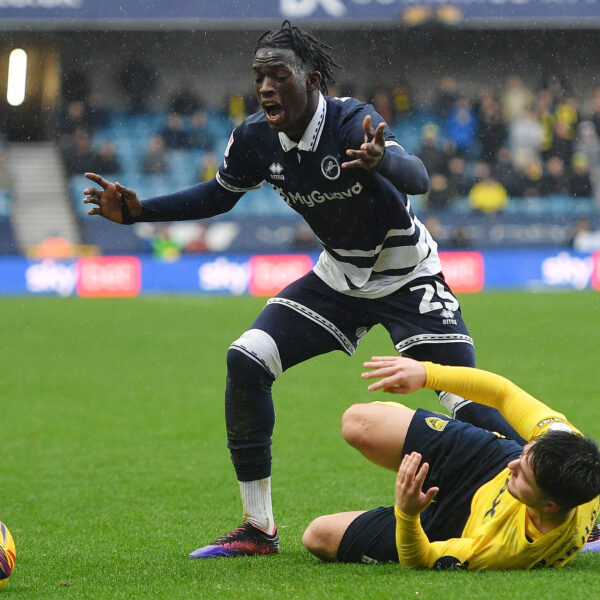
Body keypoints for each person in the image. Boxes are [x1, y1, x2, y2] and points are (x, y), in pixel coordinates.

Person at [83, 21, 504, 560]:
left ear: (312, 79)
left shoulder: (354, 122)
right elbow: (218, 195)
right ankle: (258, 529)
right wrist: (142, 212)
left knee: (469, 398)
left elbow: (418, 176)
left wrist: (385, 162)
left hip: (406, 274)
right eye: (259, 76)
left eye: (277, 75)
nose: (264, 87)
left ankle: (573, 504)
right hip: (338, 277)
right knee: (247, 359)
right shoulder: (256, 138)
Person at [303, 356, 600, 568]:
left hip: (456, 527)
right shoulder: (563, 441)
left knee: (318, 535)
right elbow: (503, 393)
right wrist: (426, 373)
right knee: (358, 422)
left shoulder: (501, 550)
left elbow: (419, 559)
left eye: (524, 474)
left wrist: (408, 513)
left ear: (549, 506)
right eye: (525, 455)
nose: (515, 466)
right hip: (485, 461)